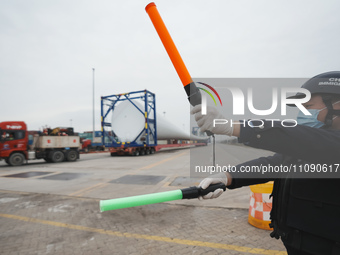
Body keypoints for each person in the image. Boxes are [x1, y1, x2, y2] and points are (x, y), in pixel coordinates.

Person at [191, 71, 340, 255]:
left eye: (308, 106)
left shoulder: (325, 144)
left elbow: (297, 137)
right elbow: (273, 163)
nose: (302, 114)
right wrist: (228, 177)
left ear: (337, 104)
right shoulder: (309, 147)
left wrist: (234, 127)